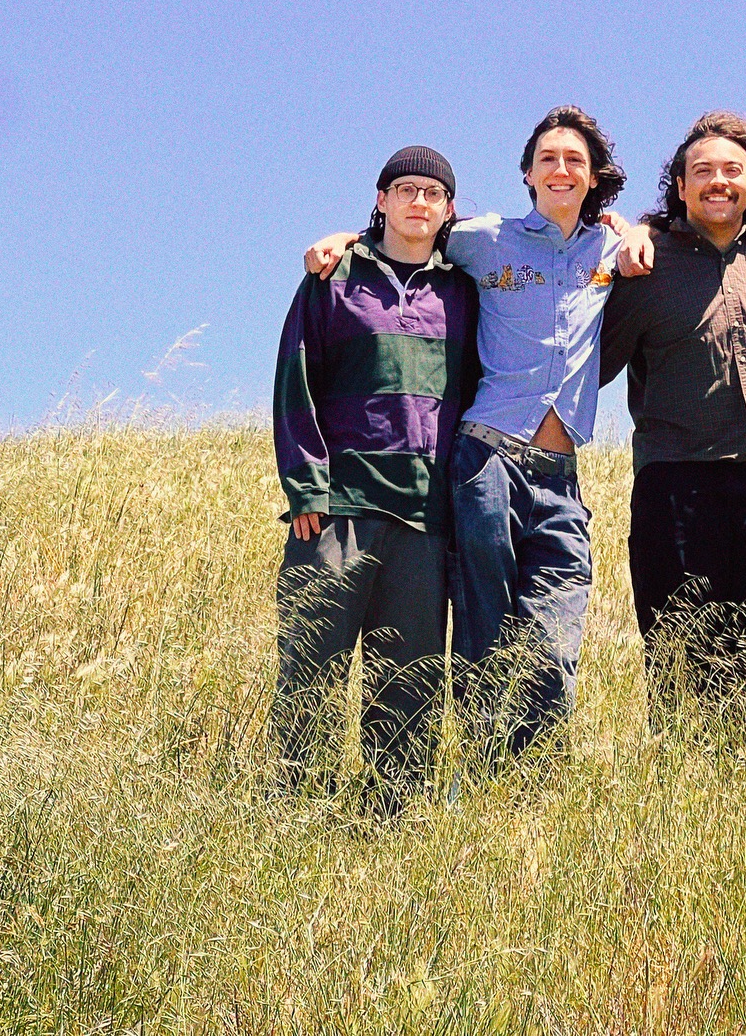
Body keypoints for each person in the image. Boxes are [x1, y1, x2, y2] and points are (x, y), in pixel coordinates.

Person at [304, 108, 653, 763]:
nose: (560, 169)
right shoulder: (485, 237)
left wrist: (632, 228)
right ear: (527, 173)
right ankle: (485, 784)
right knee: (483, 637)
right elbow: (414, 225)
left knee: (553, 645)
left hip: (560, 476)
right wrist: (346, 238)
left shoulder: (610, 247)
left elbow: (648, 247)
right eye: (548, 158)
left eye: (574, 160)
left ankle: (534, 785)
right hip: (486, 463)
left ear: (593, 176)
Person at [272, 145, 478, 805]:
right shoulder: (333, 281)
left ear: (449, 210)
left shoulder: (463, 292)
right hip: (338, 513)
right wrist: (307, 486)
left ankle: (393, 829)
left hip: (423, 522)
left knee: (410, 686)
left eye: (433, 194)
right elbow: (295, 379)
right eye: (406, 189)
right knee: (310, 677)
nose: (420, 202)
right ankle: (295, 819)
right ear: (382, 199)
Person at [599, 111, 746, 732]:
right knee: (680, 659)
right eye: (701, 171)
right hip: (673, 485)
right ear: (679, 187)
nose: (718, 181)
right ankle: (691, 794)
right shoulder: (644, 264)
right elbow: (593, 361)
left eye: (731, 171)